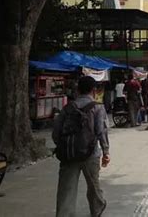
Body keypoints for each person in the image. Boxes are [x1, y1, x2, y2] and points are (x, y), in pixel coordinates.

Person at [53, 76, 110, 217]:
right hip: (90, 154)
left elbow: (56, 132)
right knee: (93, 186)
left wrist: (65, 146)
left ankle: (64, 214)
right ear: (94, 90)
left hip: (68, 155)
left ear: (78, 90)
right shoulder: (97, 107)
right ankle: (97, 209)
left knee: (66, 189)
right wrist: (106, 152)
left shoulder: (67, 108)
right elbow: (101, 131)